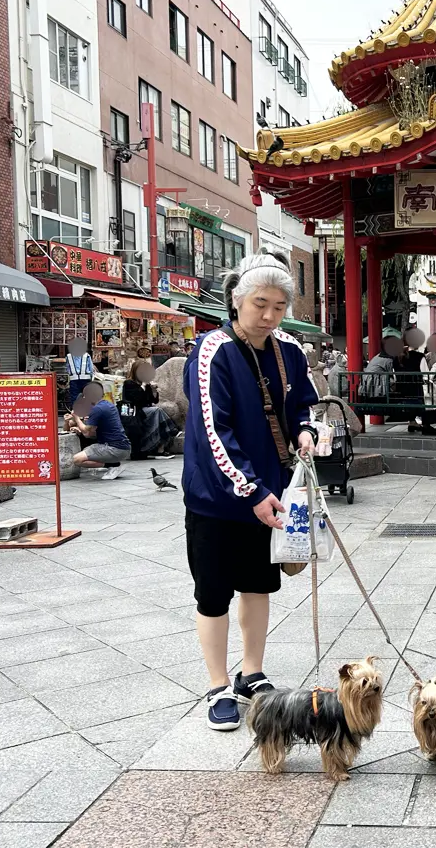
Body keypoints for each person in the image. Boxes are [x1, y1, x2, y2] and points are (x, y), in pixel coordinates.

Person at [182, 253, 318, 732]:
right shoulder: (211, 350)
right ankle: (218, 684)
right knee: (213, 593)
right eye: (260, 303)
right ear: (236, 299)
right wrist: (250, 489)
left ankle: (251, 672)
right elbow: (212, 431)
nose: (269, 315)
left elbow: (302, 405)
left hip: (271, 495)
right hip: (217, 497)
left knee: (259, 585)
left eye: (279, 306)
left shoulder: (290, 350)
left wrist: (306, 431)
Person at [65, 380, 131, 480]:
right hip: (122, 446)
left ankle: (113, 465)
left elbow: (87, 433)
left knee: (77, 459)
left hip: (114, 448)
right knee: (86, 449)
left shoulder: (98, 409)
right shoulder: (107, 405)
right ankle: (110, 463)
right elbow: (91, 431)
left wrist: (77, 418)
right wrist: (74, 423)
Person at [121, 360, 179, 459]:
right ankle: (171, 430)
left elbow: (154, 400)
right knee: (157, 411)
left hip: (146, 410)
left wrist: (154, 391)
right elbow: (136, 399)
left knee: (157, 410)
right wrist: (143, 385)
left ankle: (161, 447)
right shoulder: (129, 383)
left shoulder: (146, 385)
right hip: (135, 412)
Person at [66, 339, 95, 404]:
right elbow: (91, 368)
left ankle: (75, 409)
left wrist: (71, 374)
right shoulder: (87, 355)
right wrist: (92, 378)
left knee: (74, 397)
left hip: (74, 380)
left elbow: (68, 368)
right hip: (85, 379)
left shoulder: (68, 356)